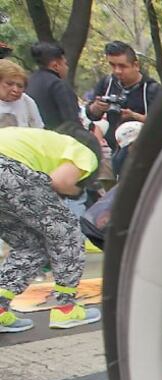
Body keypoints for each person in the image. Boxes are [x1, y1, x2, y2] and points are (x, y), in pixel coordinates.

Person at [0, 125, 103, 333]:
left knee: (31, 246)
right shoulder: (82, 151)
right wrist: (78, 189)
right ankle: (66, 308)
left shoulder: (39, 140)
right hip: (6, 169)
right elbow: (61, 181)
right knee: (68, 232)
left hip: (7, 171)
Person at [85, 41, 160, 151]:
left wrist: (135, 116)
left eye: (122, 66)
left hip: (143, 151)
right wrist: (96, 107)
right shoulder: (107, 83)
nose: (117, 71)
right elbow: (92, 115)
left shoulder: (151, 89)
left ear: (136, 65)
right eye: (112, 65)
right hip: (114, 149)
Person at [26, 42, 80, 129]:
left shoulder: (27, 83)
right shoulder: (59, 85)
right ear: (55, 66)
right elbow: (72, 122)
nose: (67, 68)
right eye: (65, 64)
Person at [0, 60, 43, 129]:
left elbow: (38, 129)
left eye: (20, 86)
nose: (15, 90)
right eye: (9, 84)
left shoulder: (27, 102)